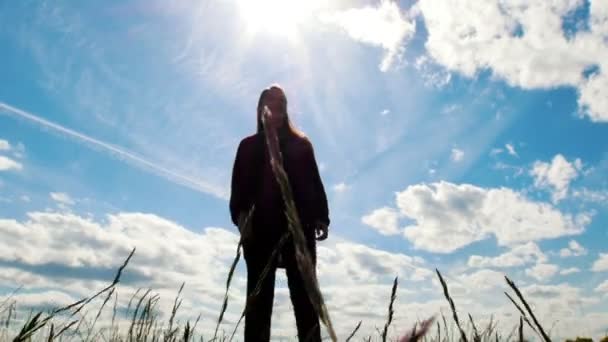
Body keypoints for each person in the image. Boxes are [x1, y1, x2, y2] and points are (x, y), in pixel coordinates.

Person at [229, 84, 330, 341]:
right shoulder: (248, 146)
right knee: (258, 305)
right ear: (260, 109)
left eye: (280, 105)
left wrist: (321, 216)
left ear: (286, 110)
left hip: (298, 230)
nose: (275, 110)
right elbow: (238, 188)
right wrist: (242, 219)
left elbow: (313, 182)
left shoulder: (301, 144)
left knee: (306, 302)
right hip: (260, 231)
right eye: (269, 104)